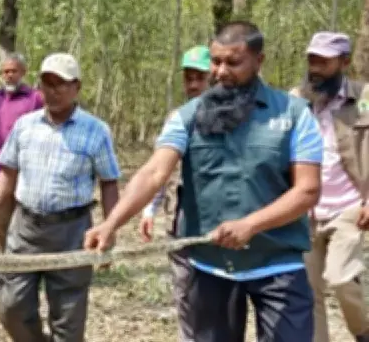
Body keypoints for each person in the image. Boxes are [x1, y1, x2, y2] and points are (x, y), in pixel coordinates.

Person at [84, 21, 324, 342]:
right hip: (211, 268)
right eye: (216, 61)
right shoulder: (188, 116)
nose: (221, 71)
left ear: (259, 60)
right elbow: (154, 172)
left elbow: (307, 191)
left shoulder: (294, 115)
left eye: (233, 62)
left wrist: (250, 225)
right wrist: (111, 223)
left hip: (278, 265)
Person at [0, 53, 121, 342]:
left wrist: (110, 229)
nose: (52, 91)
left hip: (72, 233)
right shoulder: (25, 126)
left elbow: (108, 182)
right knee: (11, 308)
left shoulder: (95, 131)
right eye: (47, 84)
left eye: (60, 84)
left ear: (76, 87)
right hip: (26, 229)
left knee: (68, 322)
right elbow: (7, 174)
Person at [290, 31, 369, 342]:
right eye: (312, 59)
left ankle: (363, 331)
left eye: (324, 61)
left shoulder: (364, 99)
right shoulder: (296, 100)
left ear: (344, 62)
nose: (316, 68)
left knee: (340, 278)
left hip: (349, 206)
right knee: (308, 291)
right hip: (305, 208)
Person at [137, 44, 211, 342]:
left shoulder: (239, 117)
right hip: (183, 219)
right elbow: (161, 171)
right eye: (188, 77)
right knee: (185, 294)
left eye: (200, 78)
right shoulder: (177, 118)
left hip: (225, 224)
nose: (193, 84)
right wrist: (149, 209)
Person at [0, 53, 43, 284]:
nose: (9, 75)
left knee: (27, 222)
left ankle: (29, 268)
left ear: (23, 72)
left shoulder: (35, 99)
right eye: (5, 71)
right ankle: (5, 269)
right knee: (0, 222)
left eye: (14, 70)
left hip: (29, 173)